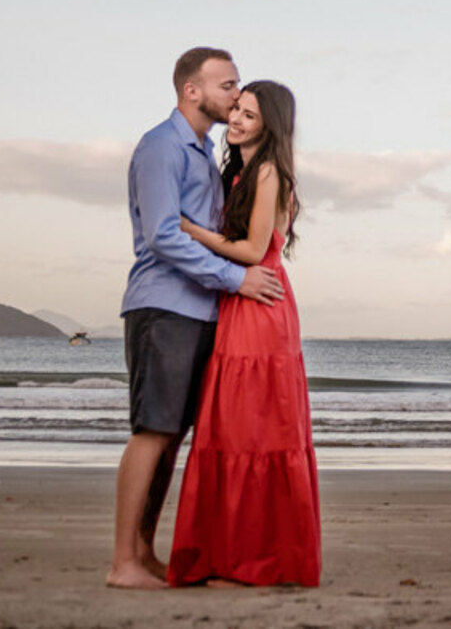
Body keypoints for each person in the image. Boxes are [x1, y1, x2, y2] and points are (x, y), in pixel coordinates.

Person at [109, 48, 285, 590]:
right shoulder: (162, 147)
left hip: (199, 309)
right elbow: (164, 235)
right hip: (164, 306)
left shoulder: (205, 152)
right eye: (228, 85)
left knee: (173, 432)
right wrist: (238, 280)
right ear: (193, 90)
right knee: (152, 430)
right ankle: (123, 563)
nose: (236, 95)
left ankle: (144, 552)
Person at [168, 79, 322, 587]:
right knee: (234, 433)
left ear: (269, 125)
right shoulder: (244, 172)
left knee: (254, 435)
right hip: (243, 304)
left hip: (260, 307)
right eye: (236, 110)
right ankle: (232, 556)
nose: (235, 120)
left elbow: (255, 251)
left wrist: (189, 229)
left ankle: (254, 563)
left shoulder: (271, 173)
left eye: (249, 116)